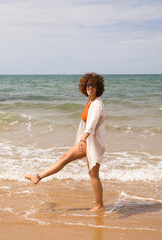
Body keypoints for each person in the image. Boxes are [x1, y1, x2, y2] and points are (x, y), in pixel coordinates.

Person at [24, 72, 106, 211]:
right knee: (65, 158)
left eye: (93, 85)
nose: (90, 87)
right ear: (84, 86)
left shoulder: (97, 104)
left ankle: (99, 206)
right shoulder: (90, 102)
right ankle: (37, 177)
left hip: (92, 143)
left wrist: (82, 139)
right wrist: (82, 139)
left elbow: (91, 124)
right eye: (88, 85)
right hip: (86, 141)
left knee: (93, 175)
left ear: (98, 87)